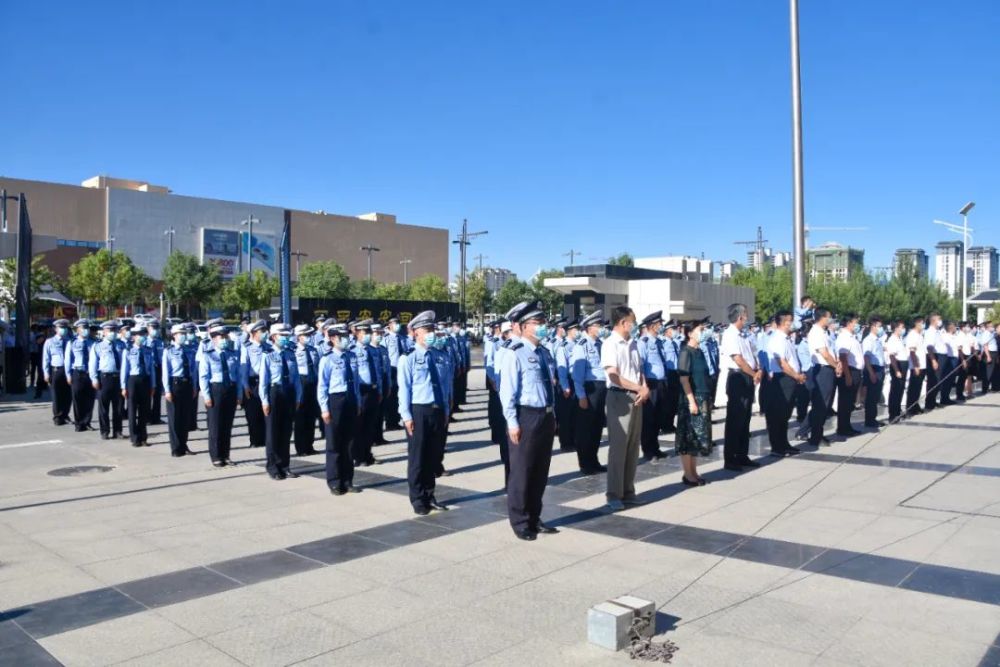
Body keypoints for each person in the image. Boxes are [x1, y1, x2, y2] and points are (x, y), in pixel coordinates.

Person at [498, 301, 558, 540]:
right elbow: (507, 392)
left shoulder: (544, 353)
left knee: (540, 471)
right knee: (522, 471)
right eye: (537, 323)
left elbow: (550, 387)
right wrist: (512, 422)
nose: (542, 326)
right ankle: (520, 521)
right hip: (526, 416)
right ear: (522, 327)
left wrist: (554, 416)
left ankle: (535, 516)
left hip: (545, 415)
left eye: (543, 322)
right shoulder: (514, 353)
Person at [398, 310, 451, 515]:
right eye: (426, 329)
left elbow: (445, 386)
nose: (430, 333)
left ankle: (430, 494)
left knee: (433, 456)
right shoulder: (408, 358)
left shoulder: (440, 356)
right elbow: (404, 389)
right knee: (418, 458)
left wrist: (446, 409)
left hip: (437, 410)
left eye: (432, 329)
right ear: (415, 333)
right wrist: (406, 416)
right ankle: (418, 499)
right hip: (419, 411)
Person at [601, 305, 649, 511]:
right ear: (623, 322)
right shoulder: (610, 344)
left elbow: (638, 370)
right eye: (633, 321)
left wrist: (644, 387)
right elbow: (613, 375)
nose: (635, 325)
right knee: (618, 448)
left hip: (636, 397)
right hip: (619, 399)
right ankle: (613, 494)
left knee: (632, 447)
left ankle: (628, 491)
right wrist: (638, 387)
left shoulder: (633, 343)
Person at [318, 323, 362, 495]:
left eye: (346, 336)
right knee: (335, 443)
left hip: (350, 399)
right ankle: (335, 481)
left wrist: (358, 402)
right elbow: (322, 386)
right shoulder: (327, 359)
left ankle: (348, 479)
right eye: (341, 337)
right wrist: (324, 409)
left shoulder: (352, 356)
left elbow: (356, 382)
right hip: (335, 401)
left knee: (350, 442)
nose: (345, 339)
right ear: (333, 339)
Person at [720, 303, 762, 470]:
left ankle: (742, 455)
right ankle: (730, 459)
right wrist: (753, 374)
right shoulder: (730, 335)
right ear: (740, 317)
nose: (747, 317)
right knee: (735, 421)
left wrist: (756, 370)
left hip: (747, 377)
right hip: (738, 377)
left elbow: (751, 355)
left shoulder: (742, 335)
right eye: (745, 315)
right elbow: (738, 359)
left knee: (745, 420)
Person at [260, 323, 303, 480]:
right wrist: (265, 401)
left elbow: (297, 378)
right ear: (273, 337)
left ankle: (285, 465)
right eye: (282, 335)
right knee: (273, 432)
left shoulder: (291, 354)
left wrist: (298, 396)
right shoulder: (267, 355)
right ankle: (273, 466)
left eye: (287, 335)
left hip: (289, 393)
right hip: (274, 393)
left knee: (286, 432)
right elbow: (263, 381)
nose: (286, 338)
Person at [676, 318, 716, 484]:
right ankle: (687, 474)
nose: (703, 332)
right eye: (700, 330)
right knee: (688, 437)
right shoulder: (686, 352)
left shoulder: (699, 351)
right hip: (691, 398)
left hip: (703, 396)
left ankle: (693, 471)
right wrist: (692, 401)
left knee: (697, 439)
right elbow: (684, 379)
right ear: (690, 333)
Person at [570, 310, 608, 475]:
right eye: (597, 325)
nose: (600, 328)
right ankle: (585, 463)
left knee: (597, 427)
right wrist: (581, 396)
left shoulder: (600, 344)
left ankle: (594, 460)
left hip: (601, 388)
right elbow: (577, 375)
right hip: (589, 389)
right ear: (588, 327)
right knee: (586, 429)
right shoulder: (582, 346)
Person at [765, 310, 805, 457]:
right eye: (790, 320)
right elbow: (781, 363)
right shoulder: (778, 339)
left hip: (790, 378)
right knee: (778, 414)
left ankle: (784, 443)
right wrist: (796, 376)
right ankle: (776, 446)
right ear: (783, 322)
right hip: (783, 379)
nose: (792, 323)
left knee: (785, 414)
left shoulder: (787, 338)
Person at [200, 324, 240, 467]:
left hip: (230, 389)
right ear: (214, 339)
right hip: (216, 390)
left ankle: (226, 454)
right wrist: (206, 396)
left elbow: (237, 375)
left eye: (225, 336)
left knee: (227, 425)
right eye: (221, 337)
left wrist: (238, 394)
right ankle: (216, 455)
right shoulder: (208, 354)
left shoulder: (232, 354)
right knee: (215, 425)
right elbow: (203, 377)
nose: (224, 339)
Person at [637, 311, 669, 462]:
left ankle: (655, 447)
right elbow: (640, 366)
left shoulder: (659, 342)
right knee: (648, 419)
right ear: (652, 326)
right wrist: (644, 386)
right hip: (650, 383)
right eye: (659, 324)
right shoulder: (643, 342)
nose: (662, 326)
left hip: (661, 383)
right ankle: (648, 450)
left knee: (657, 418)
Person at [350, 319, 383, 467]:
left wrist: (380, 389)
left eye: (369, 332)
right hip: (361, 392)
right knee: (358, 425)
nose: (368, 335)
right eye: (364, 333)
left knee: (370, 425)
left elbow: (378, 371)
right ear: (357, 334)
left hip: (373, 390)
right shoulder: (352, 351)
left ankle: (367, 454)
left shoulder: (374, 350)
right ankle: (358, 456)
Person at [807, 308, 842, 448]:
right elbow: (824, 353)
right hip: (822, 370)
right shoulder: (816, 332)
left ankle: (819, 433)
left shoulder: (823, 332)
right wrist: (836, 366)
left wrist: (836, 365)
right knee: (820, 405)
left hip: (828, 369)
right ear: (822, 318)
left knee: (825, 405)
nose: (830, 320)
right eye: (829, 317)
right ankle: (815, 436)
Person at [163, 324, 197, 457]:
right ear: (174, 336)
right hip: (175, 385)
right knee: (175, 418)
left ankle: (184, 444)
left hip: (187, 384)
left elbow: (193, 370)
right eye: (180, 334)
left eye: (184, 333)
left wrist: (194, 386)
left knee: (185, 418)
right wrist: (167, 390)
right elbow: (166, 372)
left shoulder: (189, 350)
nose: (183, 336)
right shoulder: (169, 351)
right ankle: (176, 447)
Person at [89, 321, 125, 440]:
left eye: (114, 330)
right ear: (104, 332)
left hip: (118, 378)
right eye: (110, 330)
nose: (113, 333)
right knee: (104, 407)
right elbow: (92, 364)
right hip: (105, 378)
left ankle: (118, 431)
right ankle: (104, 431)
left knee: (118, 407)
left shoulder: (121, 345)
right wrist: (94, 379)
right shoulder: (98, 345)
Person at [120, 325, 154, 447]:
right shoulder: (128, 351)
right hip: (133, 381)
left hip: (145, 380)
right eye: (139, 334)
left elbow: (151, 369)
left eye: (143, 334)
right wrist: (123, 387)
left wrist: (153, 385)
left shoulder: (148, 350)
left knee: (144, 410)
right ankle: (134, 437)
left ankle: (143, 437)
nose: (142, 337)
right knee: (132, 410)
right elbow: (124, 370)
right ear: (134, 337)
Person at [239, 320, 270, 448]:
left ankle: (265, 439)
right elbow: (243, 370)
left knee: (266, 412)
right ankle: (255, 440)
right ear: (254, 333)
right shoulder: (247, 348)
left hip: (266, 382)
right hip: (253, 383)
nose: (265, 333)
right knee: (253, 413)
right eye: (262, 331)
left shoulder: (268, 347)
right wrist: (245, 386)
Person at [292, 324, 321, 456]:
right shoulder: (293, 350)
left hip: (313, 382)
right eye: (306, 335)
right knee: (301, 417)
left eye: (309, 335)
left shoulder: (313, 350)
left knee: (311, 416)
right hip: (301, 382)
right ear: (299, 337)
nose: (308, 337)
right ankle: (301, 447)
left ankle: (309, 445)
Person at [65, 319, 95, 432]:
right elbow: (68, 360)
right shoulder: (72, 342)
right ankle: (79, 423)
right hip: (77, 372)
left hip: (90, 374)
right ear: (77, 330)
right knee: (77, 398)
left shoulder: (94, 342)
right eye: (83, 328)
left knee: (90, 399)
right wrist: (68, 375)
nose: (85, 330)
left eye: (87, 328)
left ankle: (87, 422)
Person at [554, 318, 579, 453]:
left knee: (574, 413)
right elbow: (562, 368)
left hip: (576, 381)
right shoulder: (563, 347)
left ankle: (574, 439)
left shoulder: (577, 345)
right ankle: (565, 442)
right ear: (570, 331)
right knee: (565, 415)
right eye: (576, 330)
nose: (578, 332)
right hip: (567, 381)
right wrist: (565, 386)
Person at [43, 319, 73, 425]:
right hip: (57, 370)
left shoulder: (70, 341)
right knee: (57, 395)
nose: (63, 330)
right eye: (61, 327)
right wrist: (46, 373)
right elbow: (46, 358)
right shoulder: (50, 341)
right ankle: (57, 416)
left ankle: (65, 414)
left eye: (65, 327)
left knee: (68, 394)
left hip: (69, 370)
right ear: (55, 329)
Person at [861, 316, 887, 428]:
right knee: (871, 397)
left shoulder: (877, 340)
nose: (881, 329)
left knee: (875, 396)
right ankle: (869, 420)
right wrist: (871, 373)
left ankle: (873, 418)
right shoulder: (868, 340)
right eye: (880, 326)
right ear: (873, 326)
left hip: (880, 369)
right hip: (873, 369)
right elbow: (866, 358)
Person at [372, 323, 393, 445]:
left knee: (381, 412)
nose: (379, 335)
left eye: (381, 333)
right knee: (373, 414)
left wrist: (389, 384)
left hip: (384, 382)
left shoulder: (383, 349)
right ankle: (372, 438)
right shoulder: (368, 350)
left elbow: (388, 368)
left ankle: (379, 436)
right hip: (373, 384)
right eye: (377, 333)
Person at [885, 320, 909, 421]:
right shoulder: (892, 340)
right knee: (895, 390)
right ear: (896, 328)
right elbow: (892, 356)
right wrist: (896, 370)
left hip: (903, 364)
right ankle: (893, 414)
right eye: (901, 327)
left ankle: (898, 411)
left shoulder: (900, 338)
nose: (903, 329)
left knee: (900, 390)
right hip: (897, 365)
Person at [905, 317, 927, 416]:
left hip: (922, 365)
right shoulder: (912, 335)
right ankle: (910, 408)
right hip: (916, 366)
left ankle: (915, 405)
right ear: (917, 323)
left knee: (918, 387)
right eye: (922, 323)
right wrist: (916, 366)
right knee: (913, 388)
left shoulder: (920, 335)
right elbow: (912, 352)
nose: (923, 325)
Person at [146, 320, 166, 425]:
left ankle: (156, 417)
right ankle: (147, 417)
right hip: (149, 370)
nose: (155, 331)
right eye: (153, 328)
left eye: (156, 328)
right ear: (148, 329)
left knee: (157, 394)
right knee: (148, 394)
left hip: (159, 369)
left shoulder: (161, 341)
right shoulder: (145, 341)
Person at [923, 313, 944, 411]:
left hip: (938, 356)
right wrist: (933, 360)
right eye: (938, 319)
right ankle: (929, 403)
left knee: (937, 380)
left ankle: (933, 400)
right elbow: (929, 347)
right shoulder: (930, 332)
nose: (940, 321)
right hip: (932, 356)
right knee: (932, 380)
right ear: (933, 321)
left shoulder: (937, 331)